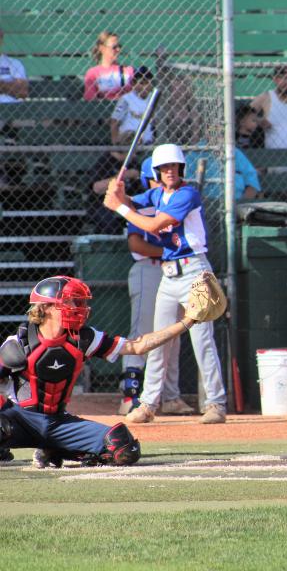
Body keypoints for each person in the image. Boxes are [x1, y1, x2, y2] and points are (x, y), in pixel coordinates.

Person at [0, 275, 203, 468]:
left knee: (124, 448)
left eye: (80, 303)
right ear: (46, 307)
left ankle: (54, 448)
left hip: (58, 422)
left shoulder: (84, 338)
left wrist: (187, 322)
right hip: (22, 420)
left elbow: (137, 347)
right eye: (72, 302)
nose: (80, 308)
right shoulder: (20, 342)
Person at [103, 143, 228, 424]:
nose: (170, 172)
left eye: (174, 167)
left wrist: (120, 208)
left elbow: (154, 226)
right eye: (164, 168)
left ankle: (216, 404)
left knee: (202, 341)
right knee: (159, 340)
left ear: (181, 168)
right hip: (169, 275)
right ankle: (148, 404)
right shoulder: (157, 193)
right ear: (157, 172)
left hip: (194, 270)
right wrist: (119, 194)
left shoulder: (187, 193)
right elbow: (134, 203)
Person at [118, 157, 190, 416]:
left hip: (172, 272)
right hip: (148, 269)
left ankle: (170, 397)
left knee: (172, 336)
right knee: (142, 332)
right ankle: (130, 397)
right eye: (156, 175)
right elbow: (136, 245)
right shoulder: (141, 205)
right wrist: (170, 251)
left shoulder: (174, 200)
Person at [0, 26, 29, 185]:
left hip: (16, 113)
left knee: (30, 123)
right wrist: (9, 86)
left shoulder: (13, 63)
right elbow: (16, 89)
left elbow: (23, 91)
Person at [110, 66, 155, 147]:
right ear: (133, 83)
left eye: (147, 82)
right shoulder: (126, 99)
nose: (145, 86)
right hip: (128, 142)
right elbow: (114, 121)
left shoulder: (154, 98)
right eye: (141, 83)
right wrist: (115, 144)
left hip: (148, 142)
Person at [83, 31, 134, 101]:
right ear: (102, 48)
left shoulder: (128, 70)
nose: (118, 49)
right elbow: (90, 99)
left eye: (119, 46)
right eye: (114, 47)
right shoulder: (93, 73)